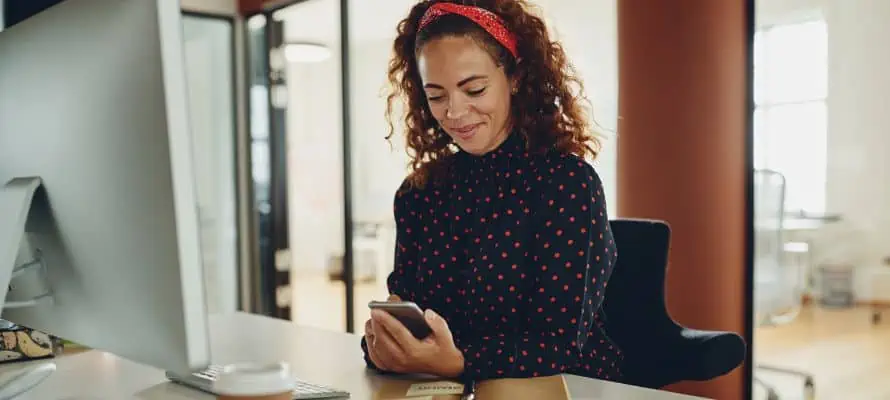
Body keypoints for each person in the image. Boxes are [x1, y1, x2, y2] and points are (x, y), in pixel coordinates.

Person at [361, 0, 621, 382]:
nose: (455, 112)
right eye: (436, 96)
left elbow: (560, 345)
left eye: (474, 89)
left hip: (565, 387)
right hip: (444, 387)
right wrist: (387, 343)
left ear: (515, 77)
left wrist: (459, 362)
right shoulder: (417, 194)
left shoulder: (568, 185)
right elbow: (406, 312)